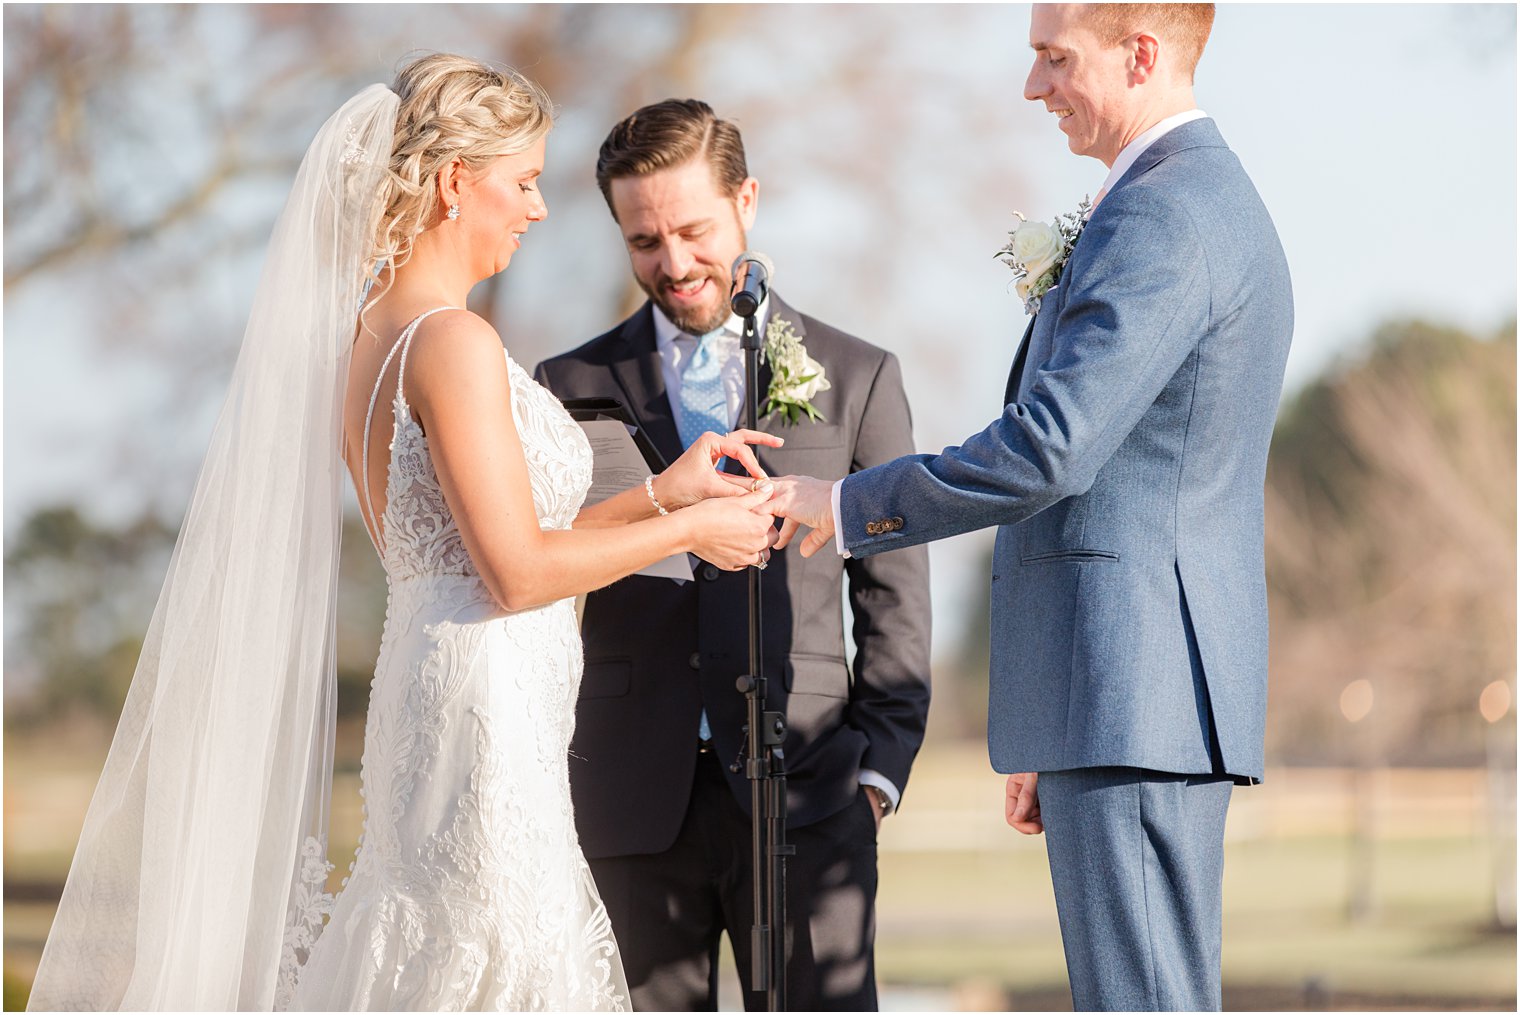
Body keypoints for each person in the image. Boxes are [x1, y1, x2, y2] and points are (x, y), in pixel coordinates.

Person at [27, 55, 780, 1012]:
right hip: (485, 712)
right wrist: (706, 528)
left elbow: (464, 555)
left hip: (441, 683)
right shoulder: (452, 342)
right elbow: (512, 573)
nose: (537, 209)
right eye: (522, 182)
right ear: (454, 182)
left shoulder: (370, 340)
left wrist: (663, 498)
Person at [767, 4, 1292, 1011]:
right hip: (1119, 695)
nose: (1031, 87)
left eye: (1054, 59)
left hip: (1133, 690)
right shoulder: (1180, 198)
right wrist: (1051, 719)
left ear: (1140, 54)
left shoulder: (1164, 213)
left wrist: (843, 502)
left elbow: (1048, 448)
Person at [535, 99, 931, 1010]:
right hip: (630, 797)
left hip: (815, 790)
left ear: (746, 200)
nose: (672, 264)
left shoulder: (857, 375)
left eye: (691, 230)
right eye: (643, 241)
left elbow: (895, 591)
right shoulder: (566, 387)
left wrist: (877, 772)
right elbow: (546, 569)